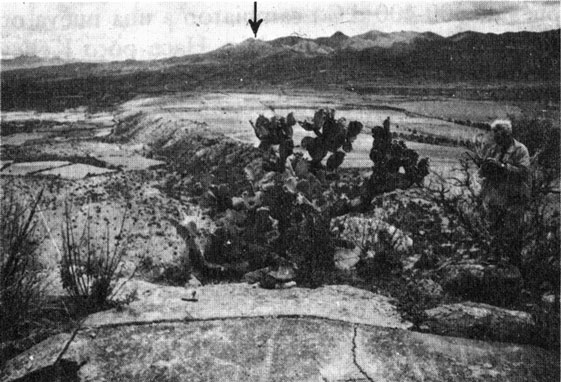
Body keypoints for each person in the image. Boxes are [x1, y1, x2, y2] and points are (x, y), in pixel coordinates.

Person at [479, 119, 531, 267]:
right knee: (494, 229)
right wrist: (486, 167)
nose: (495, 139)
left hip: (514, 197)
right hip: (497, 197)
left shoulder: (520, 150)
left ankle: (513, 267)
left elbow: (523, 172)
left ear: (507, 135)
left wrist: (502, 167)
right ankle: (494, 260)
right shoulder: (495, 149)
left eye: (498, 136)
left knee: (512, 233)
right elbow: (484, 171)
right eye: (494, 136)